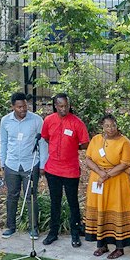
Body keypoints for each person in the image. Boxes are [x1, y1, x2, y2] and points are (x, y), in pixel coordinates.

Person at [81, 114, 130, 257]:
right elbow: (88, 159)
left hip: (117, 183)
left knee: (116, 209)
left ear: (117, 125)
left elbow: (125, 163)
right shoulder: (96, 140)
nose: (110, 128)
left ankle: (119, 248)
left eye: (112, 125)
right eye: (107, 126)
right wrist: (100, 172)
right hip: (98, 181)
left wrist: (106, 175)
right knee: (101, 210)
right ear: (102, 127)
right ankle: (102, 245)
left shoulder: (125, 142)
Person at [40, 92, 87, 247]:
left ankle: (75, 234)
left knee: (73, 203)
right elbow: (46, 137)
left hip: (70, 170)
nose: (64, 108)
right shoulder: (48, 120)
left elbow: (85, 143)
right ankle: (53, 233)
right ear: (55, 106)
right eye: (60, 106)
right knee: (55, 202)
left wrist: (72, 146)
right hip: (52, 169)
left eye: (66, 105)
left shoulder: (77, 123)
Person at [0, 92, 46, 239]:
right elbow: (3, 142)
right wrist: (3, 162)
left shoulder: (37, 120)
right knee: (12, 195)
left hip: (30, 164)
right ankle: (10, 226)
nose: (23, 109)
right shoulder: (5, 121)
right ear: (13, 106)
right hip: (11, 165)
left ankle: (33, 228)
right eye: (19, 107)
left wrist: (42, 164)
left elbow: (43, 143)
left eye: (25, 106)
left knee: (31, 196)